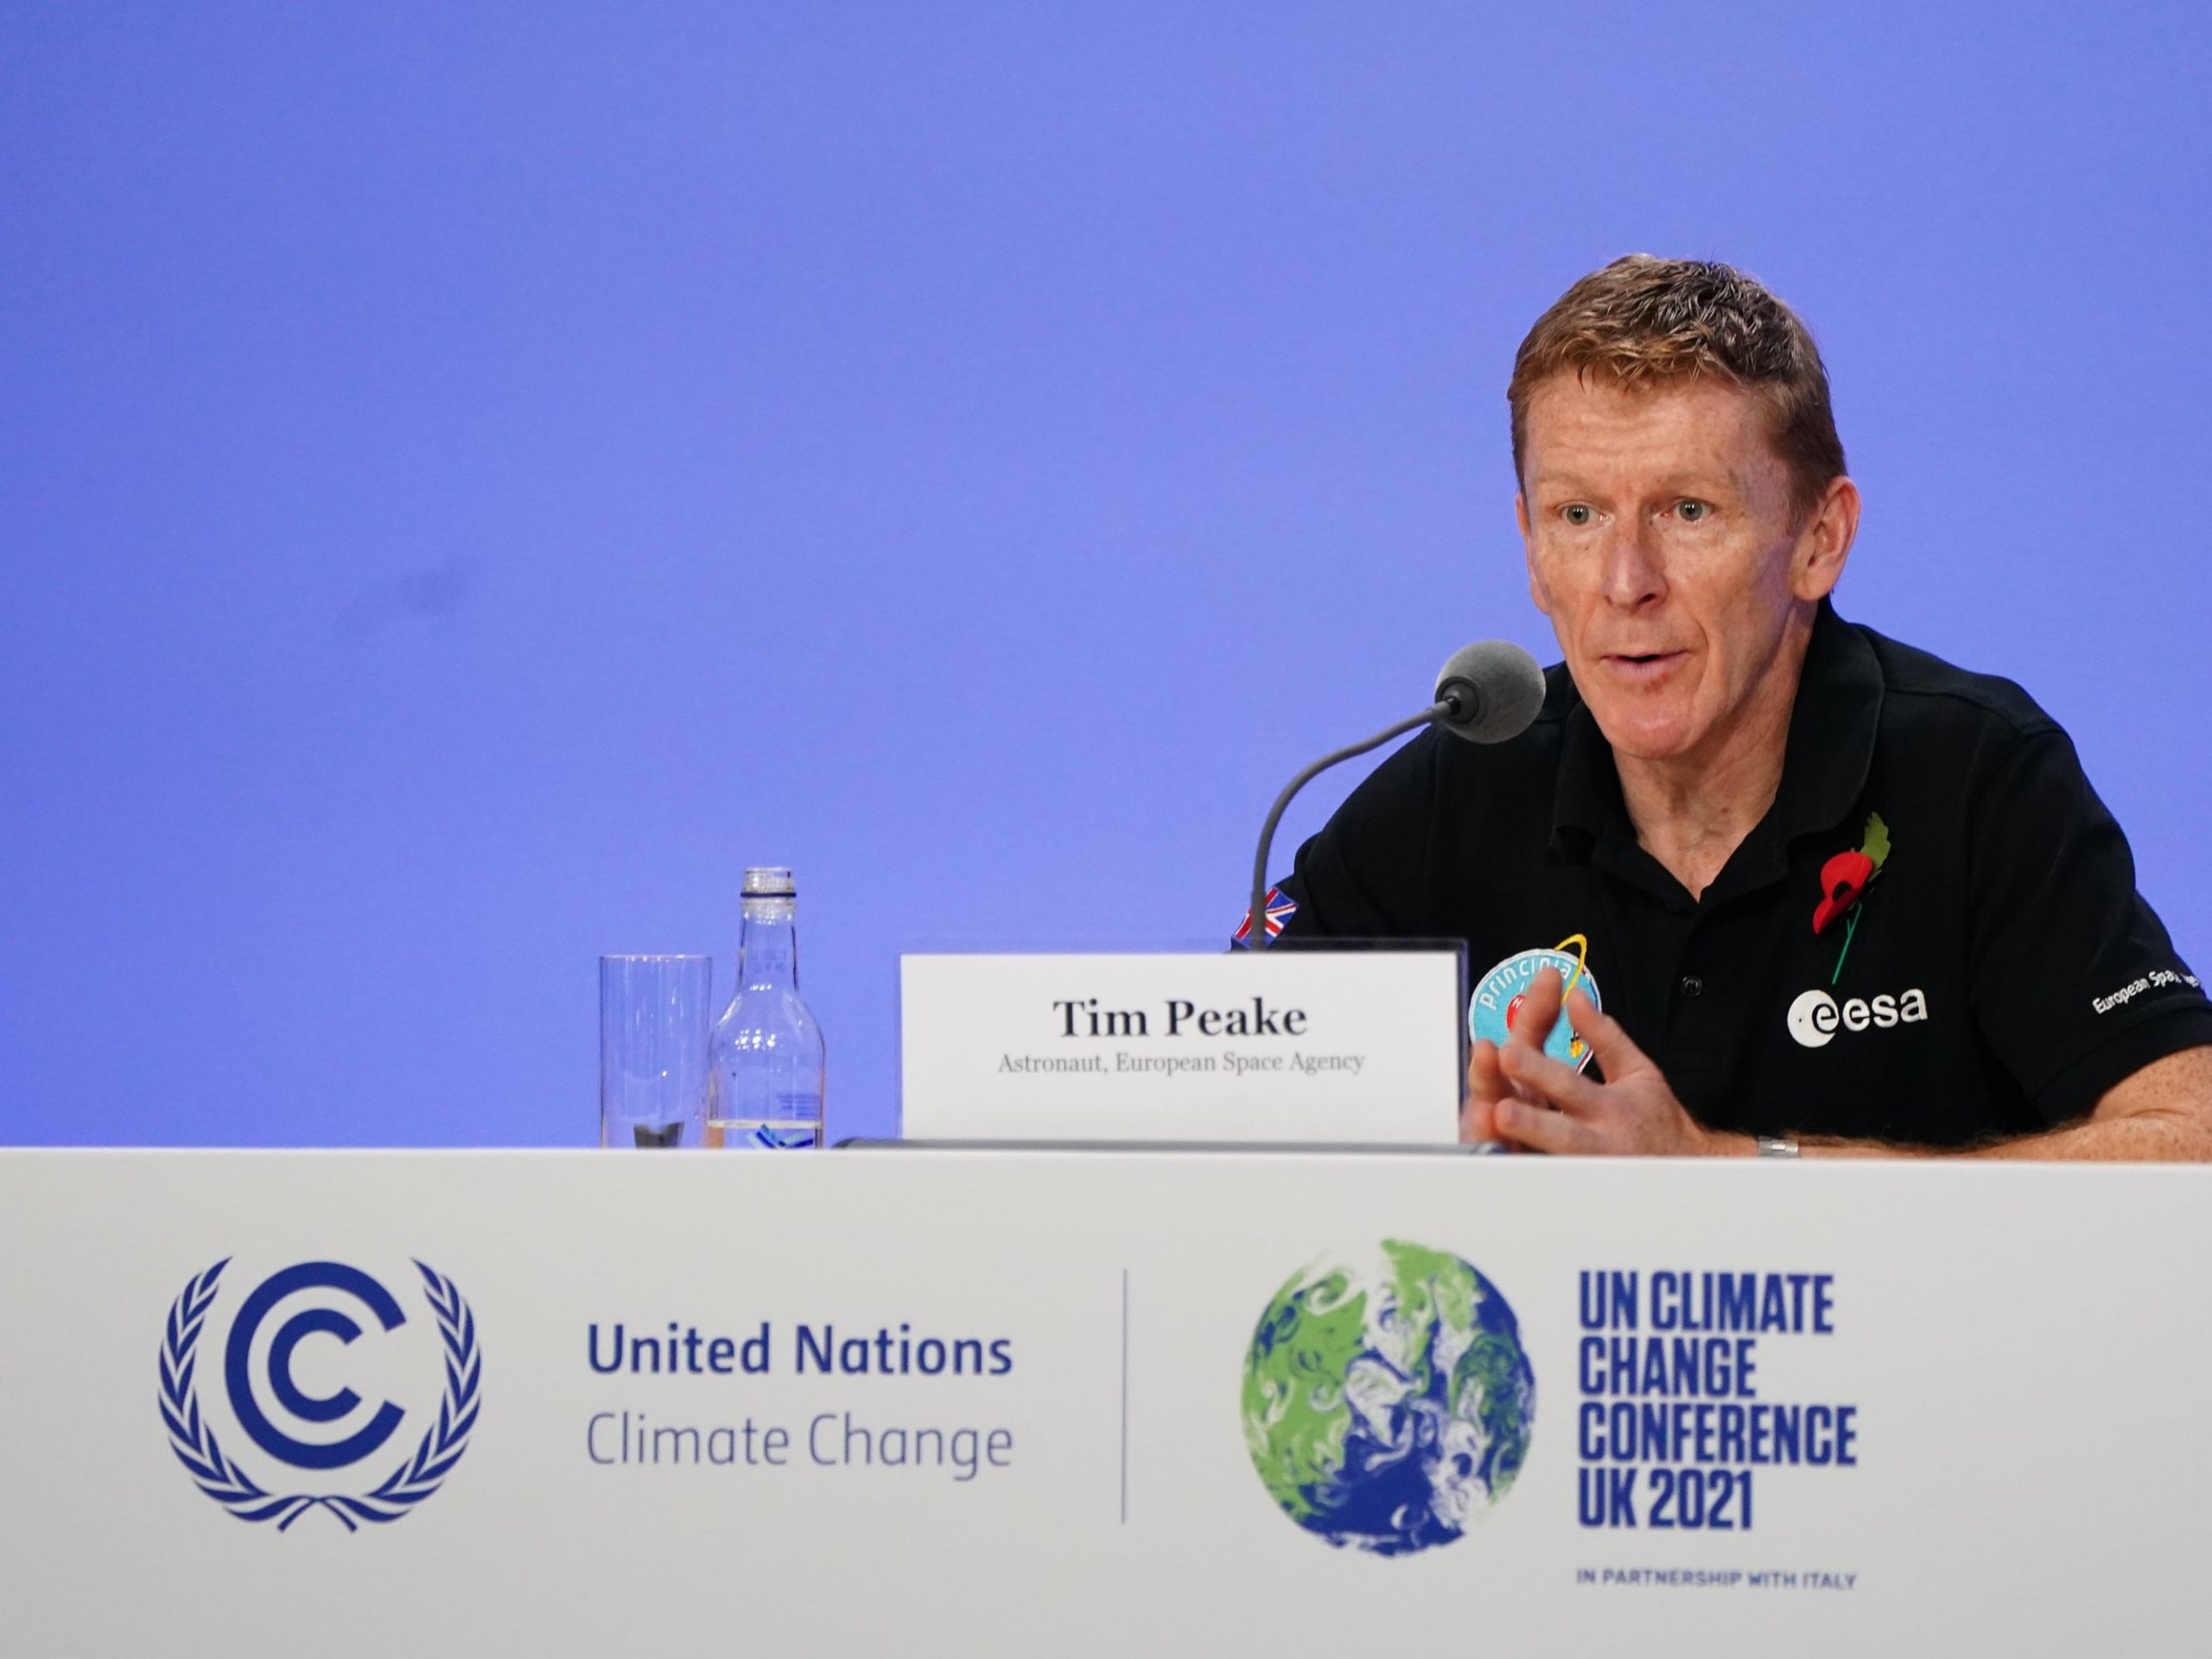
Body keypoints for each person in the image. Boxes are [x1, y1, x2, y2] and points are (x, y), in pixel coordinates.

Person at [1262, 255, 2212, 1159]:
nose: (1625, 582)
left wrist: (1729, 1172)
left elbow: (2189, 1139)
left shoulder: (1974, 776)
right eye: (1578, 516)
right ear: (1528, 545)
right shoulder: (1461, 778)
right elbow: (1224, 1082)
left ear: (1819, 539)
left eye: (1687, 510)